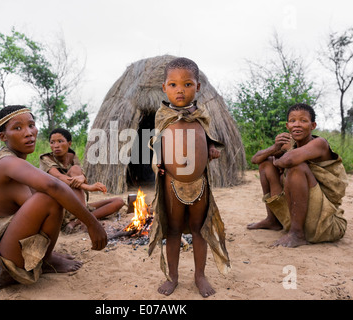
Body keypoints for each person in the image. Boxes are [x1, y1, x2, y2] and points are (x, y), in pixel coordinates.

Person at [0, 105, 107, 288]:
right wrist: (92, 224)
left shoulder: (14, 163)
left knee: (48, 197)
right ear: (3, 137)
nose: (29, 133)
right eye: (18, 128)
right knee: (49, 197)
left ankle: (46, 259)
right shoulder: (7, 163)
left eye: (31, 125)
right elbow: (53, 186)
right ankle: (45, 261)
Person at [148, 57, 231, 298]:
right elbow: (156, 143)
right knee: (173, 230)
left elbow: (206, 139)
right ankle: (173, 276)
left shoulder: (202, 115)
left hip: (200, 183)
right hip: (172, 182)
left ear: (198, 86)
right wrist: (158, 163)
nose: (180, 90)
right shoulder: (162, 115)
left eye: (187, 84)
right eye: (173, 85)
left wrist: (211, 149)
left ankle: (200, 275)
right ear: (164, 88)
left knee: (199, 229)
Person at [247, 103, 348, 248]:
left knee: (296, 167)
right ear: (287, 126)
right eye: (293, 121)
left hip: (324, 220)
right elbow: (255, 160)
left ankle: (297, 234)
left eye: (303, 120)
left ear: (312, 125)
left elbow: (290, 160)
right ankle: (273, 220)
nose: (297, 125)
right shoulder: (290, 145)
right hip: (298, 214)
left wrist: (280, 162)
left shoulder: (319, 143)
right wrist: (275, 148)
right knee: (266, 164)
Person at [39, 128, 124, 233]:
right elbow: (60, 177)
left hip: (79, 205)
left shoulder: (72, 156)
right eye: (52, 142)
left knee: (119, 201)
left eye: (60, 141)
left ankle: (78, 222)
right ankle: (84, 221)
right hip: (62, 207)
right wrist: (89, 187)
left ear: (69, 143)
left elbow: (80, 176)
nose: (56, 145)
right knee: (75, 170)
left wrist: (82, 177)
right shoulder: (45, 159)